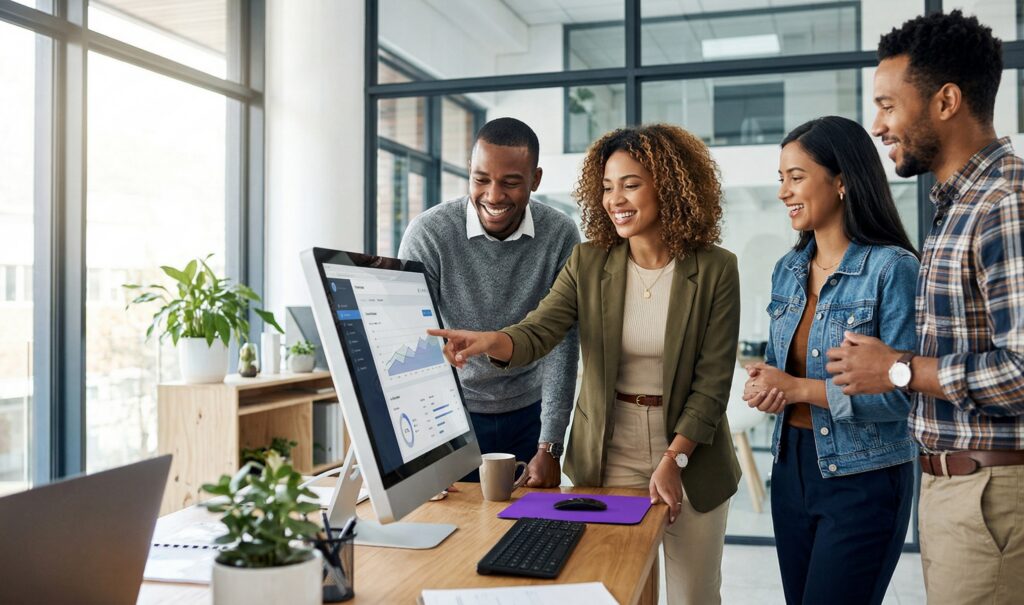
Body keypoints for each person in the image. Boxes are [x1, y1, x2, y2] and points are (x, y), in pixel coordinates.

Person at [428, 124, 742, 605]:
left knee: (693, 596)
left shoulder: (717, 268)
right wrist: (490, 340)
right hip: (608, 450)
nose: (616, 198)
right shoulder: (589, 261)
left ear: (671, 185)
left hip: (689, 451)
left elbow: (713, 383)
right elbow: (539, 332)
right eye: (608, 186)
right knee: (619, 586)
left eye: (631, 184)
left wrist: (673, 458)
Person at [826, 11, 1024, 604]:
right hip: (957, 487)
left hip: (991, 491)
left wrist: (898, 369)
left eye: (889, 105)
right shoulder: (956, 205)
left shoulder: (1003, 204)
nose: (877, 125)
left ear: (945, 101)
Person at [742, 116, 919, 605]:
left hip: (863, 479)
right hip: (791, 469)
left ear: (841, 180)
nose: (783, 191)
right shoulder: (788, 269)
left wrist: (798, 389)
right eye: (781, 178)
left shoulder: (893, 269)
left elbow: (904, 395)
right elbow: (783, 369)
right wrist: (768, 386)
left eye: (796, 176)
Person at [398, 117, 580, 486]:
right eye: (481, 180)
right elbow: (409, 333)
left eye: (511, 183)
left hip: (531, 415)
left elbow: (563, 340)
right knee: (455, 531)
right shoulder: (430, 232)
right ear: (469, 172)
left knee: (529, 532)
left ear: (536, 179)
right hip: (450, 413)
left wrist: (550, 446)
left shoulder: (559, 234)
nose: (494, 196)